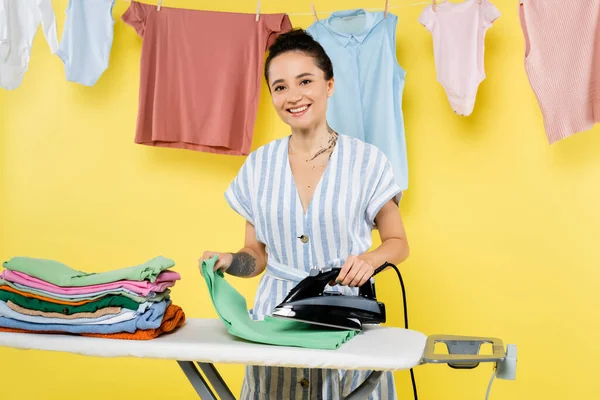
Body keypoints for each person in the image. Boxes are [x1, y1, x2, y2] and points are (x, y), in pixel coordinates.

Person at [199, 28, 410, 400]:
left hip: (343, 314)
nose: (293, 96)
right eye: (280, 87)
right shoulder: (257, 166)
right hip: (275, 322)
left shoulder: (367, 161)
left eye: (305, 81)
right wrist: (229, 260)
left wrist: (369, 260)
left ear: (328, 85)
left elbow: (398, 242)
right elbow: (256, 255)